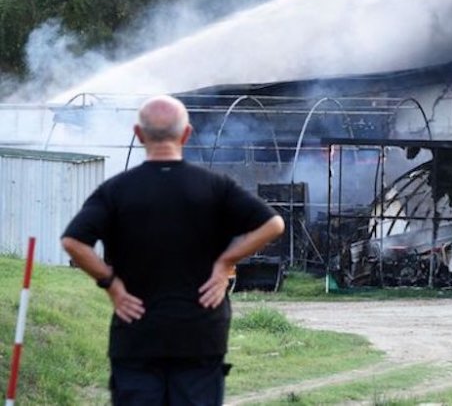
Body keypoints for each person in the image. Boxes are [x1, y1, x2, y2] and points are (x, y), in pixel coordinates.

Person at [61, 94, 285, 405]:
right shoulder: (215, 186)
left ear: (139, 135)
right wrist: (226, 263)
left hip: (136, 334)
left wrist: (111, 284)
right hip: (200, 335)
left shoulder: (116, 190)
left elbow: (73, 242)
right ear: (187, 134)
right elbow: (273, 224)